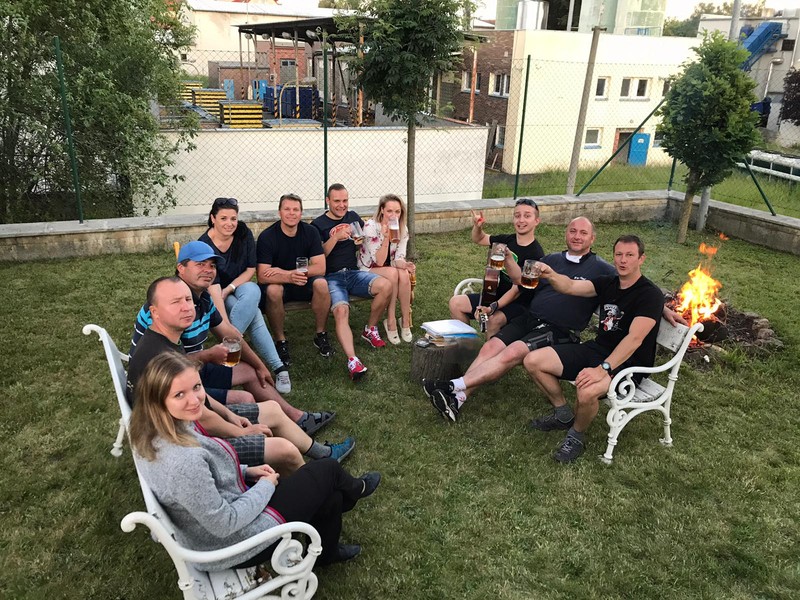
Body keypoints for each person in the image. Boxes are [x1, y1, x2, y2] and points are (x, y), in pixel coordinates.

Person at [129, 352, 382, 570]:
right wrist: (266, 485)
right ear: (157, 400)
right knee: (327, 470)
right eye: (179, 394)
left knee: (329, 494)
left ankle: (327, 551)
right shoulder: (183, 461)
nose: (195, 400)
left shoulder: (160, 429)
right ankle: (355, 491)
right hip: (233, 545)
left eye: (196, 387)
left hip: (220, 524)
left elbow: (206, 479)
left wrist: (246, 472)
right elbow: (224, 523)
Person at [126, 277, 355, 472]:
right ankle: (316, 483)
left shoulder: (163, 341)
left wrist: (229, 414)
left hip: (187, 424)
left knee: (272, 409)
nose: (186, 308)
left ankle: (324, 454)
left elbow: (200, 399)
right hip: (184, 442)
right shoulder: (161, 358)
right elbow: (202, 417)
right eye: (176, 302)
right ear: (154, 312)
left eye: (188, 300)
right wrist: (240, 431)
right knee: (284, 450)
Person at [130, 241, 335, 436]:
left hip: (192, 369)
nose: (208, 270)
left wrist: (261, 366)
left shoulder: (203, 299)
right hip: (168, 384)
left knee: (250, 371)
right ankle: (254, 437)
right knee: (245, 398)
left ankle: (297, 418)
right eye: (200, 264)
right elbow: (163, 366)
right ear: (180, 268)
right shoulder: (169, 308)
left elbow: (229, 334)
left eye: (212, 266)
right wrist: (208, 355)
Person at [425, 217, 614, 422]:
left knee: (512, 352)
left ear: (593, 238)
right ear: (566, 234)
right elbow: (521, 283)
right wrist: (507, 262)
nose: (577, 236)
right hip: (530, 318)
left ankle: (452, 387)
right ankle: (457, 399)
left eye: (583, 233)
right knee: (490, 348)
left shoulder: (602, 269)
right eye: (573, 231)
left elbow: (623, 290)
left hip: (560, 329)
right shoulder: (551, 260)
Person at [523, 234, 665, 463]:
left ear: (641, 259)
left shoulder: (650, 295)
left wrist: (603, 369)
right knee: (533, 361)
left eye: (630, 255)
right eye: (619, 254)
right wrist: (550, 274)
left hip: (629, 363)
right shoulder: (607, 282)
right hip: (598, 349)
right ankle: (563, 414)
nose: (623, 260)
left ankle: (576, 435)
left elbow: (634, 339)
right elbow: (570, 286)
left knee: (587, 391)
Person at [199, 197, 291, 394]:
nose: (230, 223)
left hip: (237, 285)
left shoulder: (243, 233)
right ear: (213, 218)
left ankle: (228, 347)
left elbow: (250, 269)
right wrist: (224, 324)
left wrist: (229, 288)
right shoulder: (204, 245)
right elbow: (213, 289)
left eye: (233, 218)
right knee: (255, 315)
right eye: (223, 218)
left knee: (253, 290)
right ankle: (278, 367)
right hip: (214, 292)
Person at [312, 183, 392, 380]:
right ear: (327, 201)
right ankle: (353, 360)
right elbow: (318, 257)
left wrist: (361, 241)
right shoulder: (317, 225)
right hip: (331, 277)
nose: (342, 205)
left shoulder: (353, 217)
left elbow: (364, 242)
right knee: (341, 311)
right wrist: (335, 238)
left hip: (354, 273)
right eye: (337, 201)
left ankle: (370, 329)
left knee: (386, 286)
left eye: (345, 200)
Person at [449, 199, 544, 337]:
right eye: (517, 215)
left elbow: (516, 290)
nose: (521, 220)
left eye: (527, 216)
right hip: (494, 295)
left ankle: (489, 350)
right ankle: (468, 344)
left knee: (492, 320)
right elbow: (479, 239)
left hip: (520, 304)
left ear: (536, 221)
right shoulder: (508, 240)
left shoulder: (535, 254)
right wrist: (478, 227)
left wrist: (492, 308)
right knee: (455, 303)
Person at [256, 193, 333, 365]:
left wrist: (289, 273)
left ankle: (321, 334)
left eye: (296, 209)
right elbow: (262, 275)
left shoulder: (310, 232)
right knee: (273, 290)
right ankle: (280, 341)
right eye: (287, 209)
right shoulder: (267, 236)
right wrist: (288, 277)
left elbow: (321, 267)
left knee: (321, 283)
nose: (291, 213)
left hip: (302, 280)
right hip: (280, 285)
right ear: (279, 212)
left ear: (301, 213)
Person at [357, 194, 416, 344]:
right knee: (393, 272)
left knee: (403, 273)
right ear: (382, 210)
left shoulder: (402, 228)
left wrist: (405, 265)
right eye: (389, 211)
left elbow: (398, 257)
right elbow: (379, 261)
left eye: (397, 211)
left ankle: (405, 320)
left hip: (389, 267)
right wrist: (385, 238)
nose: (393, 215)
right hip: (368, 267)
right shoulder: (371, 227)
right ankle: (390, 319)